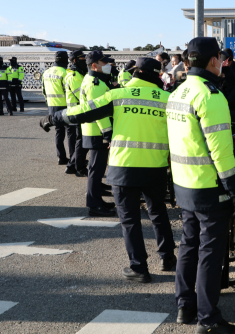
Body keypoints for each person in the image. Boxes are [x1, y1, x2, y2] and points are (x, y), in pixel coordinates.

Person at [41, 57, 176, 283]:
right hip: (155, 167)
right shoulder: (167, 99)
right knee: (158, 213)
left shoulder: (118, 95)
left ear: (136, 73)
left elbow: (82, 111)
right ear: (157, 76)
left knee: (130, 220)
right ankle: (167, 257)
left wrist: (52, 117)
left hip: (123, 169)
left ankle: (139, 268)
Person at [166, 37, 235, 334]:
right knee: (211, 251)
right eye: (221, 58)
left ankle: (184, 306)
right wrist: (233, 185)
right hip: (209, 186)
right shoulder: (211, 96)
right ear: (214, 61)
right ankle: (208, 319)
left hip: (183, 183)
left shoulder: (179, 91)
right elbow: (221, 150)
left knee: (189, 243)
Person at [78, 50, 116, 217]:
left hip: (93, 131)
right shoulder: (96, 84)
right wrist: (108, 134)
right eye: (104, 63)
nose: (108, 65)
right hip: (97, 132)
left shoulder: (93, 80)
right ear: (94, 65)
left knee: (96, 169)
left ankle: (97, 201)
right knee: (96, 169)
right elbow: (100, 112)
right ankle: (94, 205)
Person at [63, 50, 89, 176]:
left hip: (80, 111)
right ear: (74, 60)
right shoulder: (73, 76)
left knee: (81, 140)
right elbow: (82, 95)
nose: (84, 60)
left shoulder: (80, 73)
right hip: (77, 112)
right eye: (81, 58)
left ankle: (73, 165)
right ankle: (78, 167)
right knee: (81, 140)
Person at [42, 51, 70, 162]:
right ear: (66, 60)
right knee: (71, 133)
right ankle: (73, 159)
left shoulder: (46, 72)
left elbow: (43, 91)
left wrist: (49, 102)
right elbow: (68, 91)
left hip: (52, 106)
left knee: (59, 132)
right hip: (65, 106)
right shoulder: (65, 72)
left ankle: (61, 157)